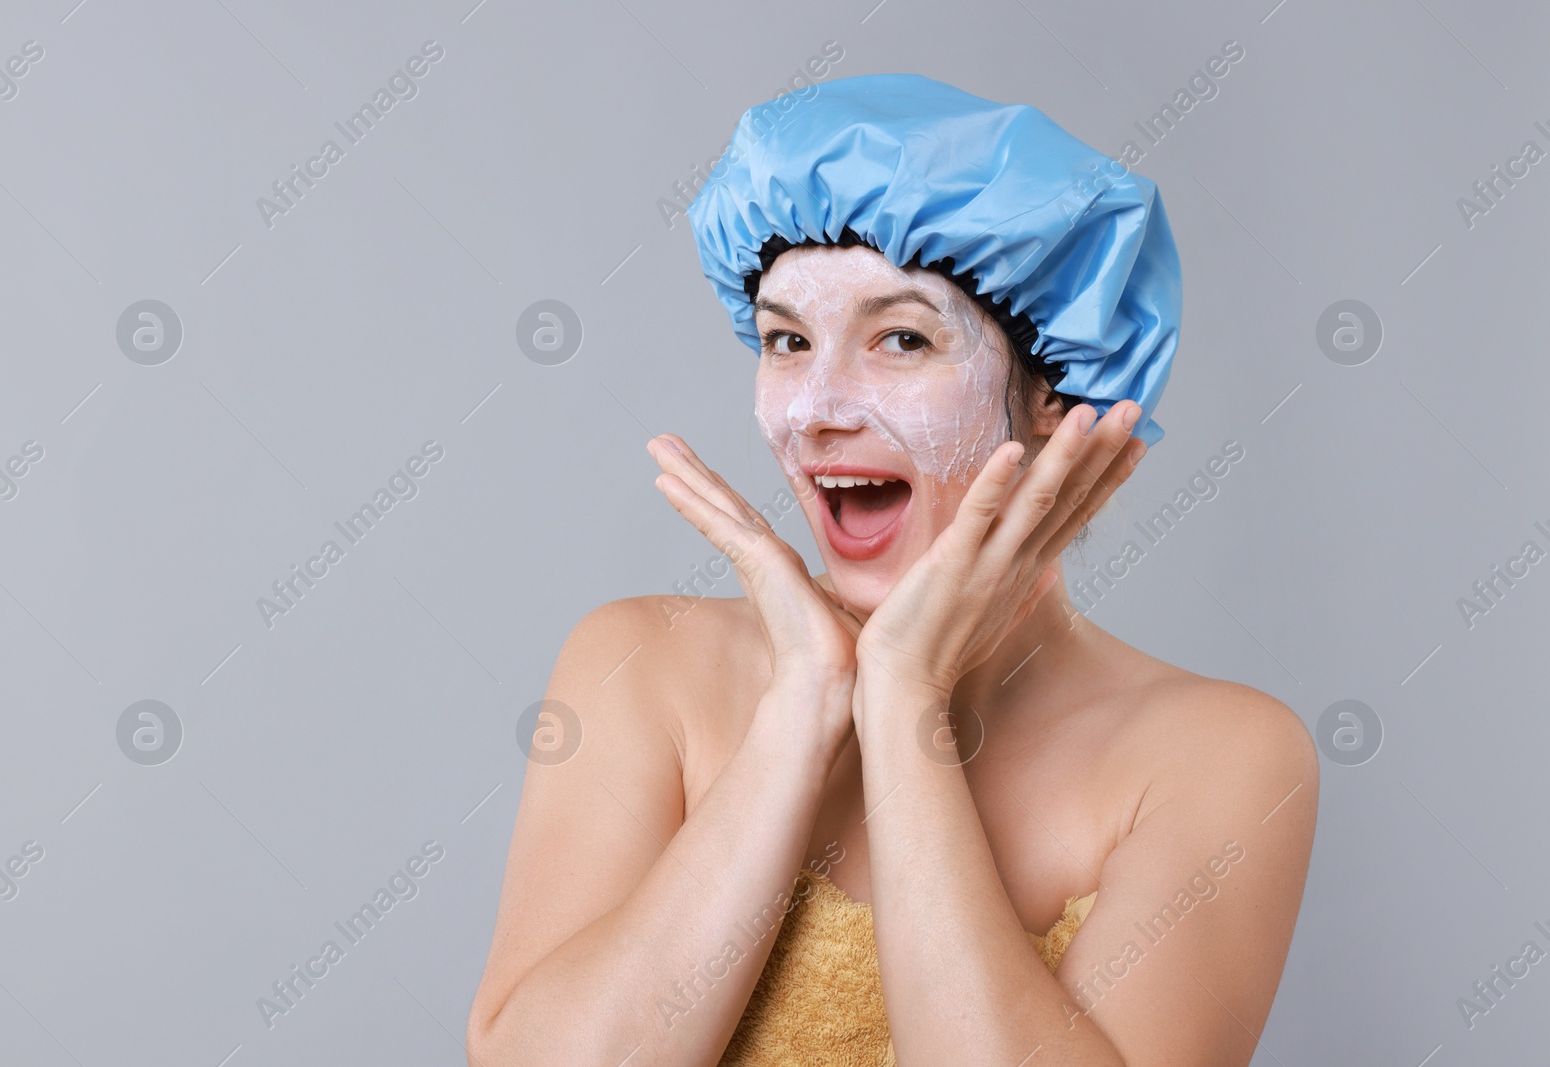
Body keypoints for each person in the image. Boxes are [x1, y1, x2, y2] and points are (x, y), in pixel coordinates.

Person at [468, 74, 1318, 1067]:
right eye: (787, 338)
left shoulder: (1220, 755)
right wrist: (805, 700)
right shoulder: (638, 663)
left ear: (1053, 391)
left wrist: (904, 698)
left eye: (901, 337)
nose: (815, 406)